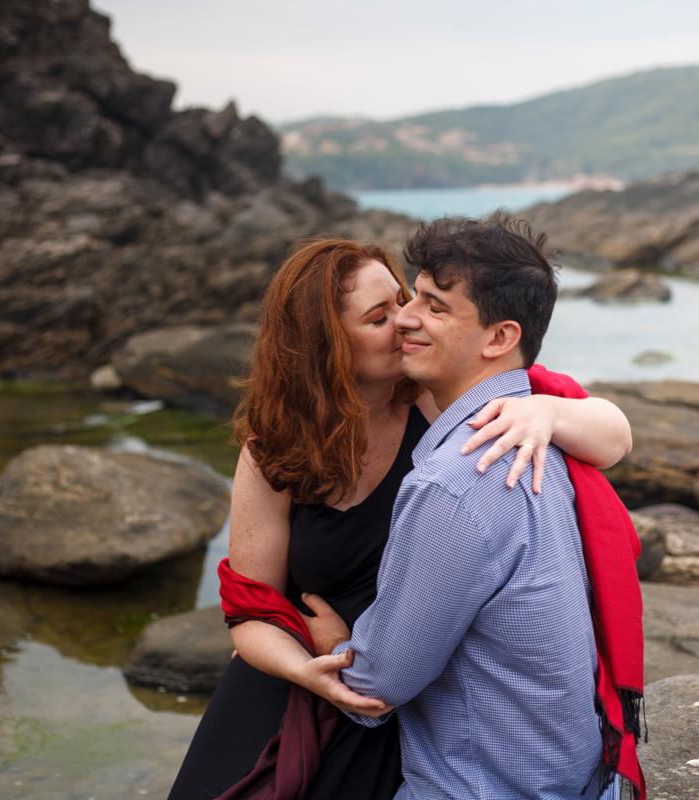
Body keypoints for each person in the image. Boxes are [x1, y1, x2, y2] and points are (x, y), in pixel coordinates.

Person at [167, 234, 633, 800]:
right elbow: (249, 611)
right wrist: (308, 663)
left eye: (411, 300)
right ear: (327, 345)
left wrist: (545, 409)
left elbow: (611, 433)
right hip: (316, 673)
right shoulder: (276, 449)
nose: (407, 320)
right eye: (381, 315)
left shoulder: (449, 403)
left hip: (405, 685)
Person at [299, 214, 641, 800]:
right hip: (580, 776)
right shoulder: (545, 434)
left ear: (499, 338)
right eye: (414, 295)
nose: (405, 317)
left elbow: (379, 681)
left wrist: (334, 643)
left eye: (434, 306)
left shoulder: (458, 478)